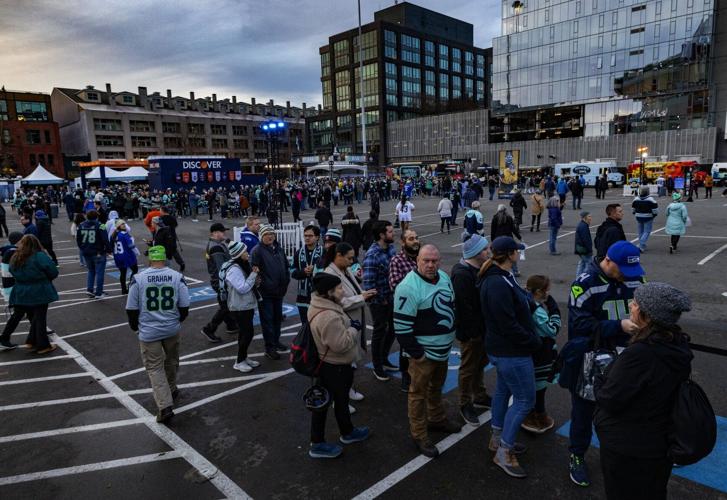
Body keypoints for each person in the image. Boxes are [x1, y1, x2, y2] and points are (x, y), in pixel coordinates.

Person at [594, 282, 692, 500]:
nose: (630, 305)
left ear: (647, 317)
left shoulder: (640, 355)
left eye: (636, 304)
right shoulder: (677, 345)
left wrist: (601, 378)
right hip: (659, 443)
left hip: (629, 448)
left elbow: (610, 399)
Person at [564, 240, 645, 487]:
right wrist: (617, 326)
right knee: (583, 412)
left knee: (627, 409)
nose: (626, 277)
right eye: (622, 270)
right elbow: (579, 326)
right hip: (591, 360)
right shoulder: (584, 283)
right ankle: (577, 455)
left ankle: (626, 454)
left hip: (627, 358)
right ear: (607, 261)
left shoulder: (635, 280)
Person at [479, 236, 540, 478]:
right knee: (525, 400)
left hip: (506, 349)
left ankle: (497, 438)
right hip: (510, 351)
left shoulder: (503, 275)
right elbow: (507, 323)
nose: (520, 254)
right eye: (517, 250)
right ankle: (503, 452)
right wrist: (532, 341)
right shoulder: (496, 282)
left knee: (504, 391)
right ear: (510, 254)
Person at [394, 244, 461, 458]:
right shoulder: (408, 287)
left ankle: (436, 418)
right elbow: (402, 329)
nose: (431, 265)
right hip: (423, 355)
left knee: (436, 387)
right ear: (417, 261)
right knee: (418, 394)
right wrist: (419, 355)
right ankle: (419, 434)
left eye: (434, 260)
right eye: (426, 261)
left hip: (442, 351)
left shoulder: (443, 277)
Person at [126, 245, 190, 424]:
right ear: (164, 258)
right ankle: (171, 387)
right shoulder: (177, 277)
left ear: (150, 259)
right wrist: (176, 321)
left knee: (154, 367)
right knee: (171, 360)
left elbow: (131, 308)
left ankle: (164, 405)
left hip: (148, 329)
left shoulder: (138, 278)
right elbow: (184, 306)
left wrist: (135, 327)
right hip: (171, 326)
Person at [307, 272, 369, 459]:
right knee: (324, 405)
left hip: (332, 365)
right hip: (334, 366)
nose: (342, 291)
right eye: (339, 288)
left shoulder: (322, 303)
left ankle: (347, 431)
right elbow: (340, 344)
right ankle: (317, 444)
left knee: (340, 401)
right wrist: (354, 328)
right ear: (329, 292)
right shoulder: (327, 316)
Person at [324, 242, 376, 407]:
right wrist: (362, 298)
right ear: (338, 256)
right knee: (342, 364)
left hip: (352, 321)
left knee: (350, 361)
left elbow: (354, 290)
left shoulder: (344, 270)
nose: (352, 261)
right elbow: (340, 302)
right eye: (349, 258)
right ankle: (339, 399)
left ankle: (348, 390)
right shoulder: (330, 274)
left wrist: (363, 293)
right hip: (342, 323)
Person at [451, 234, 492, 426]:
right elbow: (464, 309)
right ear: (475, 253)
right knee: (468, 368)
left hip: (482, 330)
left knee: (480, 364)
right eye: (484, 249)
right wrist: (474, 333)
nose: (488, 251)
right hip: (470, 333)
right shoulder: (462, 273)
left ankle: (480, 395)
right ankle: (465, 403)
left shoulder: (479, 269)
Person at [4, 235, 59, 355]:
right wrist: (44, 278)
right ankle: (43, 345)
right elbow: (53, 271)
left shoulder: (16, 256)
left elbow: (11, 271)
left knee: (30, 316)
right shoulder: (39, 256)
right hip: (38, 290)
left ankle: (32, 340)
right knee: (39, 317)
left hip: (20, 290)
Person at [521, 275, 560, 434]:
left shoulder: (526, 301)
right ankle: (531, 416)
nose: (548, 293)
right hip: (540, 353)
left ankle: (539, 413)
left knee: (537, 386)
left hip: (535, 351)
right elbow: (553, 329)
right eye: (547, 290)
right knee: (539, 387)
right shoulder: (537, 310)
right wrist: (554, 308)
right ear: (538, 292)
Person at [362, 220, 397, 381]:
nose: (393, 233)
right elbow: (368, 284)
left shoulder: (391, 248)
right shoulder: (372, 255)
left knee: (394, 329)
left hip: (392, 298)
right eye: (390, 232)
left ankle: (384, 358)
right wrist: (381, 300)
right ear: (382, 235)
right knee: (379, 332)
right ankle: (377, 366)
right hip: (380, 302)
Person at [250, 224, 290, 360]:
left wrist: (286, 282)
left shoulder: (279, 248)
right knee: (267, 320)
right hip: (266, 293)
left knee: (277, 318)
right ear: (261, 236)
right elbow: (254, 272)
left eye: (272, 233)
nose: (270, 236)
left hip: (279, 291)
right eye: (266, 234)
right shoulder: (257, 251)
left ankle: (276, 341)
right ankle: (269, 347)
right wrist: (261, 287)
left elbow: (286, 266)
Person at [220, 241, 261, 373]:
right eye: (244, 251)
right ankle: (239, 361)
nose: (247, 253)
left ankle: (243, 358)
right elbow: (242, 288)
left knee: (245, 333)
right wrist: (253, 275)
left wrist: (255, 280)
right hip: (239, 307)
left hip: (245, 305)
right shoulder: (234, 269)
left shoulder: (241, 265)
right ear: (238, 254)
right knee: (247, 334)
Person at [388, 229, 420, 392]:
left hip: (423, 312)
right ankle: (406, 377)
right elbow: (395, 286)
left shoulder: (421, 258)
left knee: (421, 343)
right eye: (411, 238)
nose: (415, 241)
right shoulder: (397, 260)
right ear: (403, 242)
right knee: (406, 346)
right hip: (406, 312)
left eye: (416, 238)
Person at [201, 223, 238, 342]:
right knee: (225, 306)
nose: (225, 233)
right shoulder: (216, 247)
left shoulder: (214, 244)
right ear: (215, 233)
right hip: (221, 281)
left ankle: (231, 325)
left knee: (225, 304)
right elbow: (222, 267)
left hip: (217, 280)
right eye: (222, 232)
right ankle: (209, 329)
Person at [292, 225, 323, 326]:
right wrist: (303, 272)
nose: (307, 238)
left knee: (319, 327)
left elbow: (329, 271)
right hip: (302, 297)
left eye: (310, 235)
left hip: (320, 296)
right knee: (305, 327)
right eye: (305, 235)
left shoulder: (323, 252)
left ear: (317, 237)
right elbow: (292, 271)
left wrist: (315, 270)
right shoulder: (298, 253)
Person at [77, 210, 111, 298]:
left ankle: (90, 289)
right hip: (98, 252)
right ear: (96, 217)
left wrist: (83, 248)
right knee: (100, 272)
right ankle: (99, 292)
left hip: (86, 252)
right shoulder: (100, 226)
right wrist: (109, 250)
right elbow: (105, 239)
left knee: (91, 271)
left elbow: (78, 240)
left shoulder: (81, 225)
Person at [491, 205, 522, 277]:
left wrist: (493, 240)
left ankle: (498, 270)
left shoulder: (495, 218)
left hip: (498, 239)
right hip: (508, 239)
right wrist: (519, 237)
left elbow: (493, 230)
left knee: (498, 256)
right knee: (511, 255)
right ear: (505, 210)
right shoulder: (509, 217)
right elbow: (513, 229)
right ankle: (515, 271)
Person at [111, 219, 140, 295]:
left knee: (123, 273)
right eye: (122, 224)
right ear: (118, 226)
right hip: (127, 256)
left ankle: (123, 289)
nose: (124, 225)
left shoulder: (114, 235)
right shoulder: (124, 234)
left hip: (118, 256)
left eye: (124, 223)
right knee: (135, 270)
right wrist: (137, 252)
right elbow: (131, 246)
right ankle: (130, 286)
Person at [632, 186, 659, 252]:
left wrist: (635, 213)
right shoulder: (651, 200)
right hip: (648, 217)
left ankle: (641, 245)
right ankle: (641, 245)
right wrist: (654, 215)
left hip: (638, 216)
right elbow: (655, 210)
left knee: (640, 231)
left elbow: (633, 209)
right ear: (648, 192)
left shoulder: (636, 199)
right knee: (647, 231)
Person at [574, 211, 593, 277]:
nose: (591, 218)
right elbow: (586, 240)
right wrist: (589, 250)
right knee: (589, 264)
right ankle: (585, 279)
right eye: (589, 216)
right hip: (584, 249)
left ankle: (578, 277)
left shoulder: (583, 225)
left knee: (582, 263)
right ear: (584, 218)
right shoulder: (583, 226)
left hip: (580, 249)